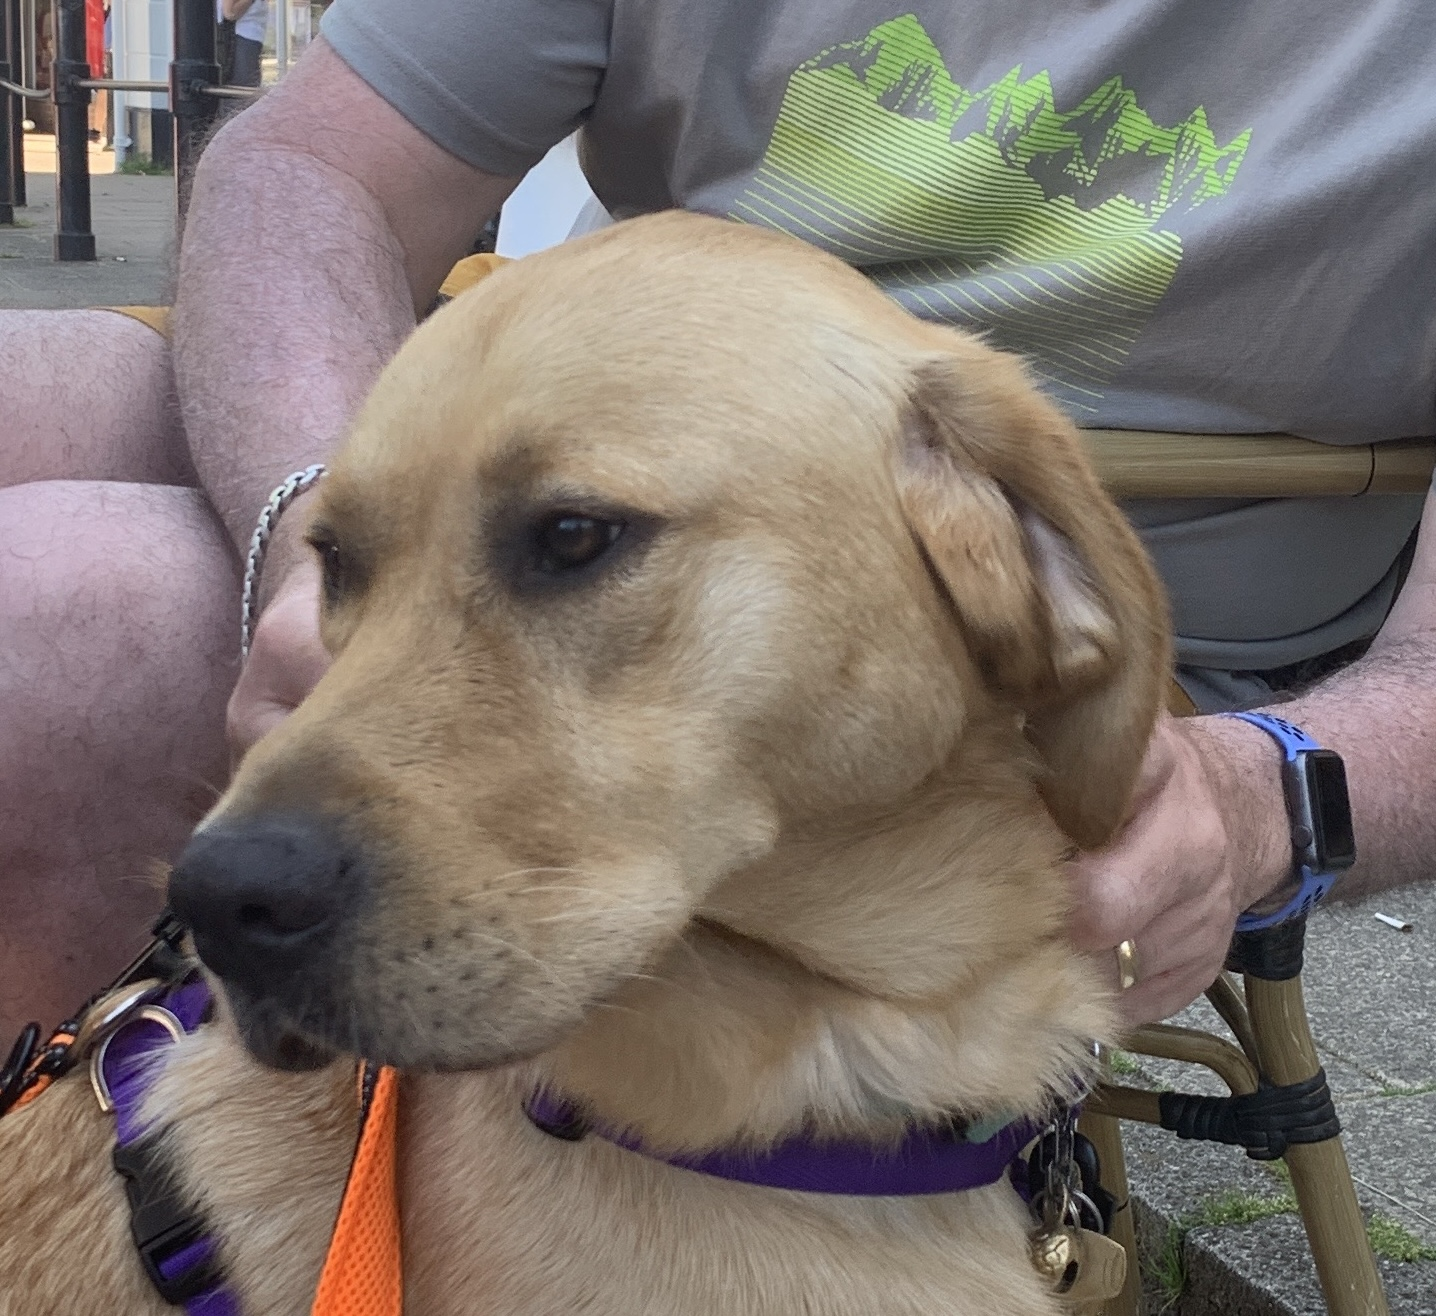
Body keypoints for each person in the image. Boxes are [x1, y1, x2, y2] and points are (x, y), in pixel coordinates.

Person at [3, 1, 1435, 1042]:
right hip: (556, 419)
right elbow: (306, 165)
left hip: (1072, 628)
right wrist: (317, 534)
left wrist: (1270, 798)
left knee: (67, 613)